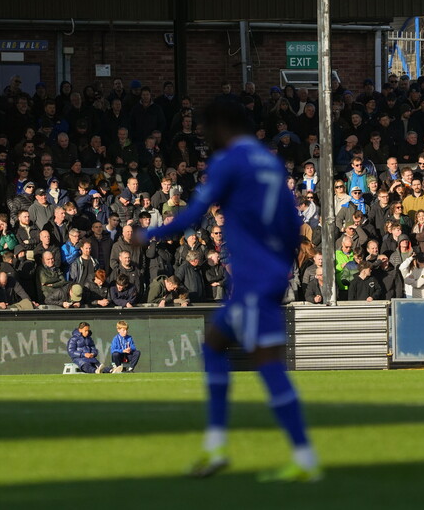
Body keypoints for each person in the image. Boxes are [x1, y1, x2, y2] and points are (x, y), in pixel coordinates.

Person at [134, 102, 318, 481]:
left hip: (252, 277)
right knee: (219, 344)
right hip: (268, 273)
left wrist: (148, 234)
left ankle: (297, 457)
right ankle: (225, 447)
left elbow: (190, 213)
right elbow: (293, 221)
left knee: (265, 362)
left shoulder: (229, 161)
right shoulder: (270, 165)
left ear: (223, 128)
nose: (207, 139)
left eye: (208, 131)